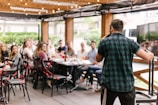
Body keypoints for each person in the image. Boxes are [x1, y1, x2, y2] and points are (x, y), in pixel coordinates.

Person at [96, 19, 154, 105]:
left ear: (111, 28)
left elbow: (98, 59)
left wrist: (101, 42)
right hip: (127, 84)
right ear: (121, 29)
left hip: (109, 84)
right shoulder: (130, 42)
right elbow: (147, 57)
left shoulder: (104, 42)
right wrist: (151, 53)